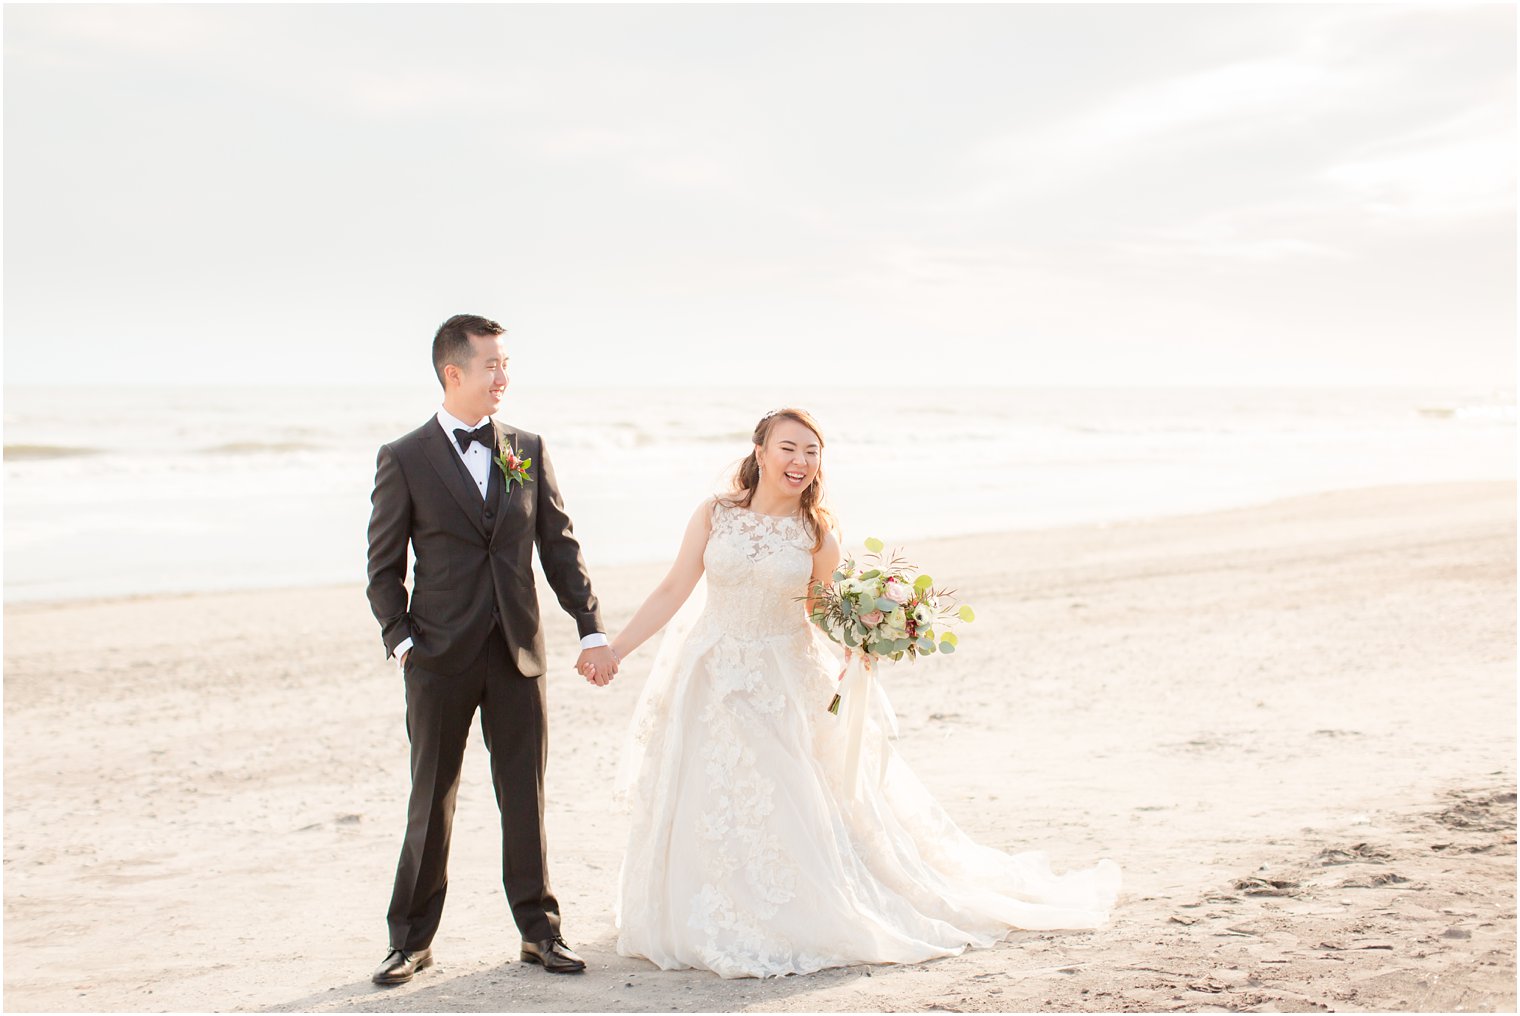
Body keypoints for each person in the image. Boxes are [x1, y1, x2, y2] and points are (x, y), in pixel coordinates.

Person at [596, 407, 1121, 978]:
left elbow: (823, 609)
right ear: (761, 451)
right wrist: (615, 649)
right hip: (712, 670)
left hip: (782, 677)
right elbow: (674, 587)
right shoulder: (714, 513)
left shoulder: (816, 531)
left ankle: (789, 909)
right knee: (711, 790)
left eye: (812, 452)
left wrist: (863, 640)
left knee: (781, 789)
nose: (800, 462)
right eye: (789, 448)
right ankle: (711, 908)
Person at [364, 314, 617, 984]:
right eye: (492, 366)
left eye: (506, 364)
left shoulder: (527, 447)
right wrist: (401, 640)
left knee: (524, 799)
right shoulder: (404, 457)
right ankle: (409, 940)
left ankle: (540, 932)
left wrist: (588, 623)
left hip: (517, 654)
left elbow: (559, 546)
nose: (504, 377)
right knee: (432, 798)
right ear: (454, 373)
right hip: (438, 658)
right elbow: (382, 566)